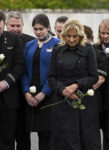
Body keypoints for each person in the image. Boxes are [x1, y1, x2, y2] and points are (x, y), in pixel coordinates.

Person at [48, 18, 101, 150]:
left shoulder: (88, 49)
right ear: (64, 35)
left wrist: (76, 85)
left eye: (75, 36)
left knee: (86, 139)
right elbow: (51, 77)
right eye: (68, 36)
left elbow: (94, 77)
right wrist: (63, 90)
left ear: (81, 36)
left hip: (84, 100)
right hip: (62, 101)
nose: (71, 39)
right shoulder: (57, 50)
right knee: (63, 139)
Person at [21, 13, 60, 150]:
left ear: (48, 27)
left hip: (49, 95)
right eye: (35, 29)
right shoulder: (29, 45)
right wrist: (26, 91)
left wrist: (44, 92)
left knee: (48, 135)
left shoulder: (57, 44)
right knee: (36, 132)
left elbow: (57, 72)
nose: (38, 32)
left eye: (41, 29)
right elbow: (24, 71)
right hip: (31, 95)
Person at [6, 11, 35, 150]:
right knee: (6, 135)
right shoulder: (3, 40)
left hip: (25, 95)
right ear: (6, 25)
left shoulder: (31, 42)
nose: (15, 29)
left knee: (23, 136)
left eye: (18, 25)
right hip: (7, 94)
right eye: (12, 25)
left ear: (23, 25)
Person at [0, 11, 24, 150]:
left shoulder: (13, 39)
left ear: (3, 25)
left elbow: (19, 65)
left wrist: (5, 83)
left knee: (7, 139)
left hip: (8, 98)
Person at [94, 18, 109, 150]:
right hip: (97, 95)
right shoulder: (94, 48)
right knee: (96, 133)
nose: (105, 36)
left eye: (108, 33)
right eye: (102, 33)